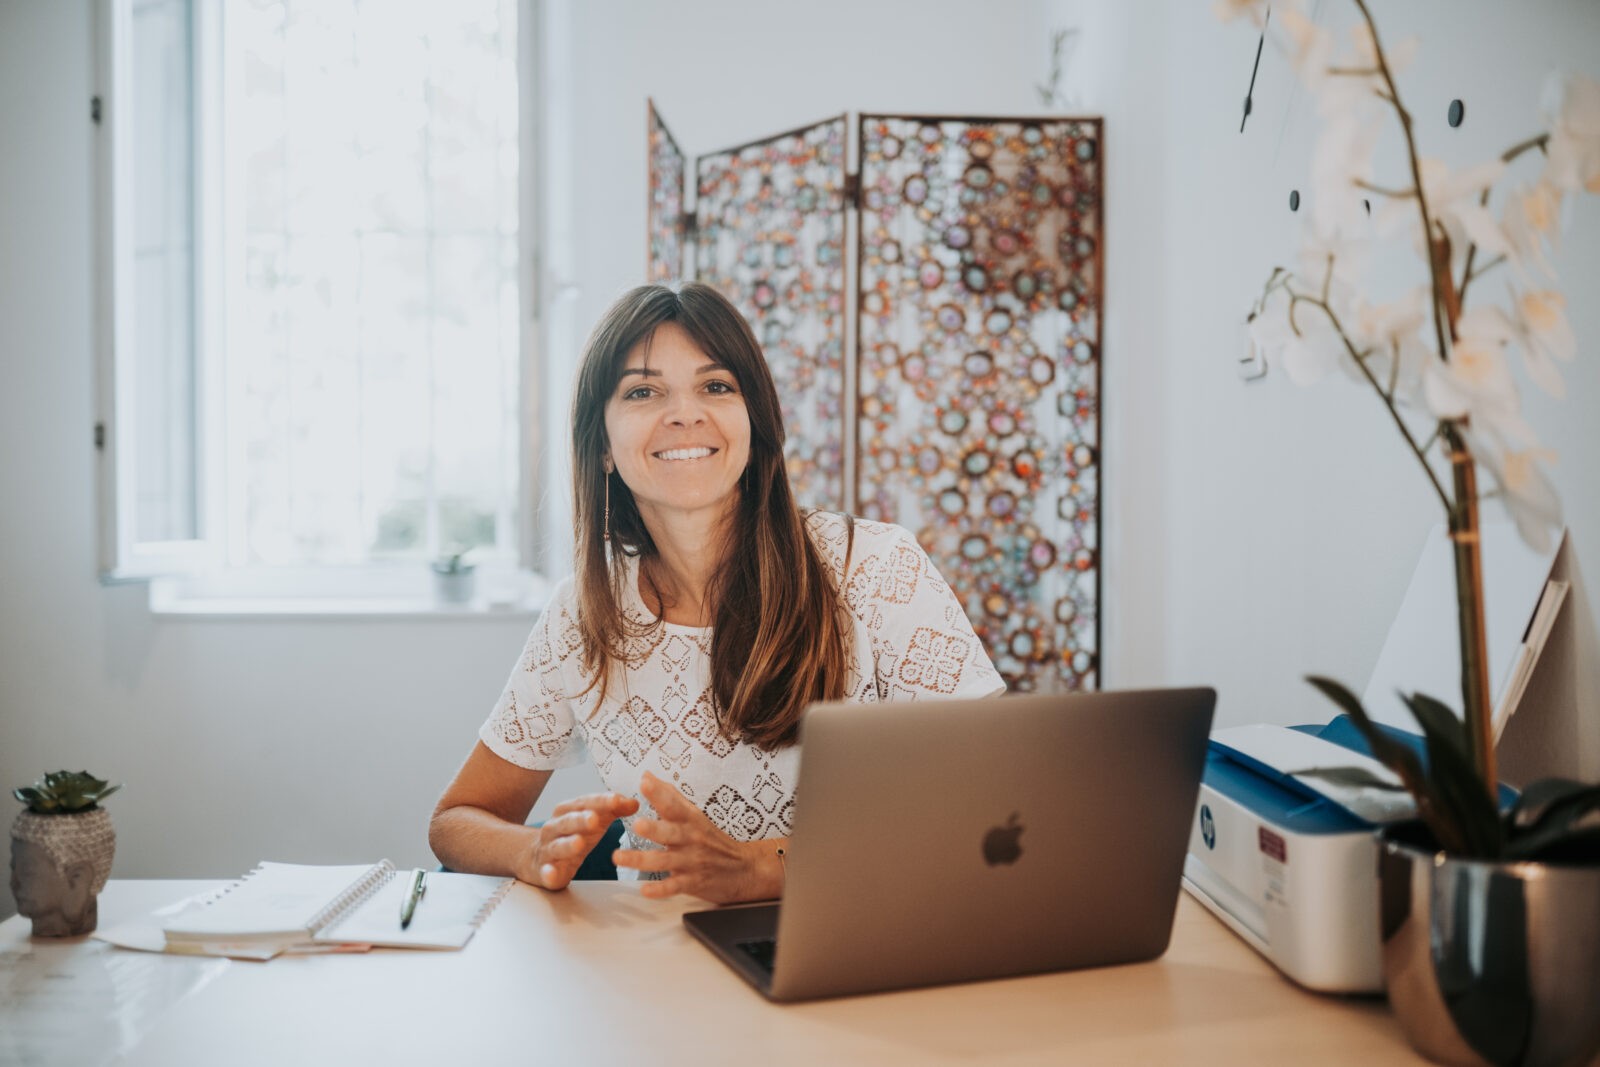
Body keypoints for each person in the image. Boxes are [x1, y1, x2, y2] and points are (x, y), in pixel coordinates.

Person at [429, 282, 1004, 904]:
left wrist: (761, 868)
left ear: (753, 422)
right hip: (663, 975)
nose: (685, 413)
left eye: (716, 386)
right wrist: (531, 849)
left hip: (871, 944)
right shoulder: (580, 615)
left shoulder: (874, 566)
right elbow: (456, 820)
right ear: (602, 448)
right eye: (644, 391)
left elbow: (989, 799)